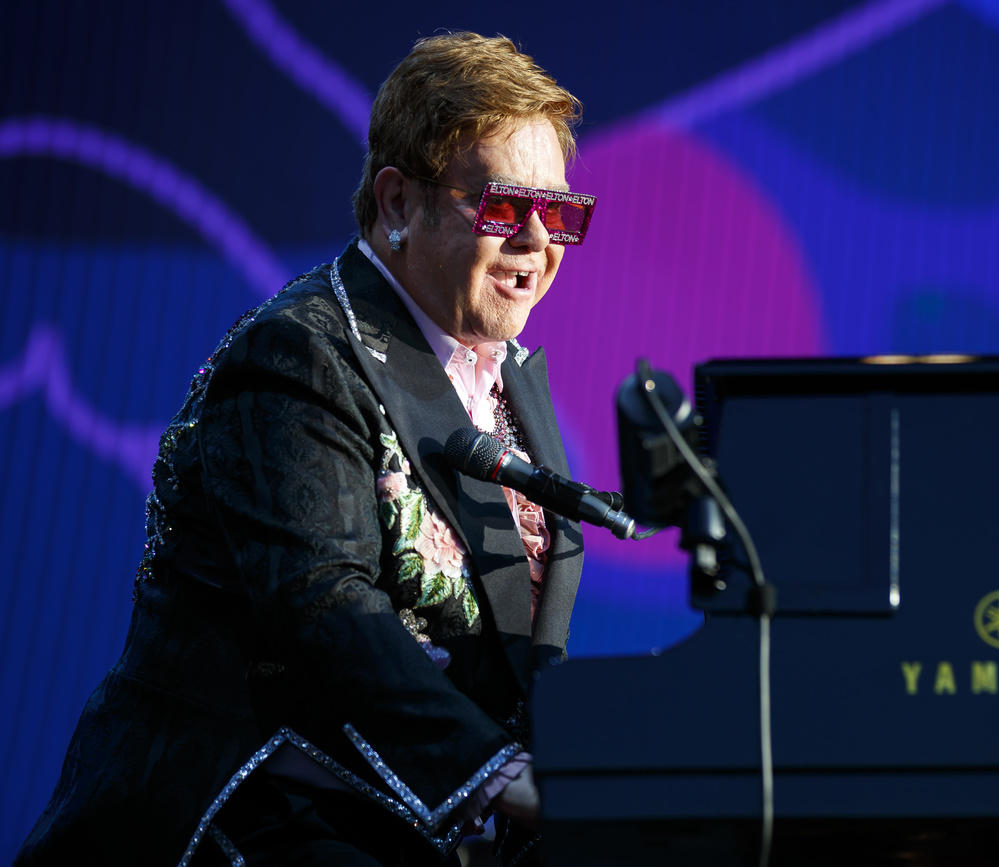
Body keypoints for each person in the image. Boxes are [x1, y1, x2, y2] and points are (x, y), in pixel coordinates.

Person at [18, 31, 593, 866]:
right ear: (398, 204)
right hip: (252, 811)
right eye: (506, 208)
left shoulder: (503, 377)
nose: (538, 245)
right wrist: (499, 775)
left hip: (416, 817)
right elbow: (322, 603)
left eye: (562, 215)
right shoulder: (297, 353)